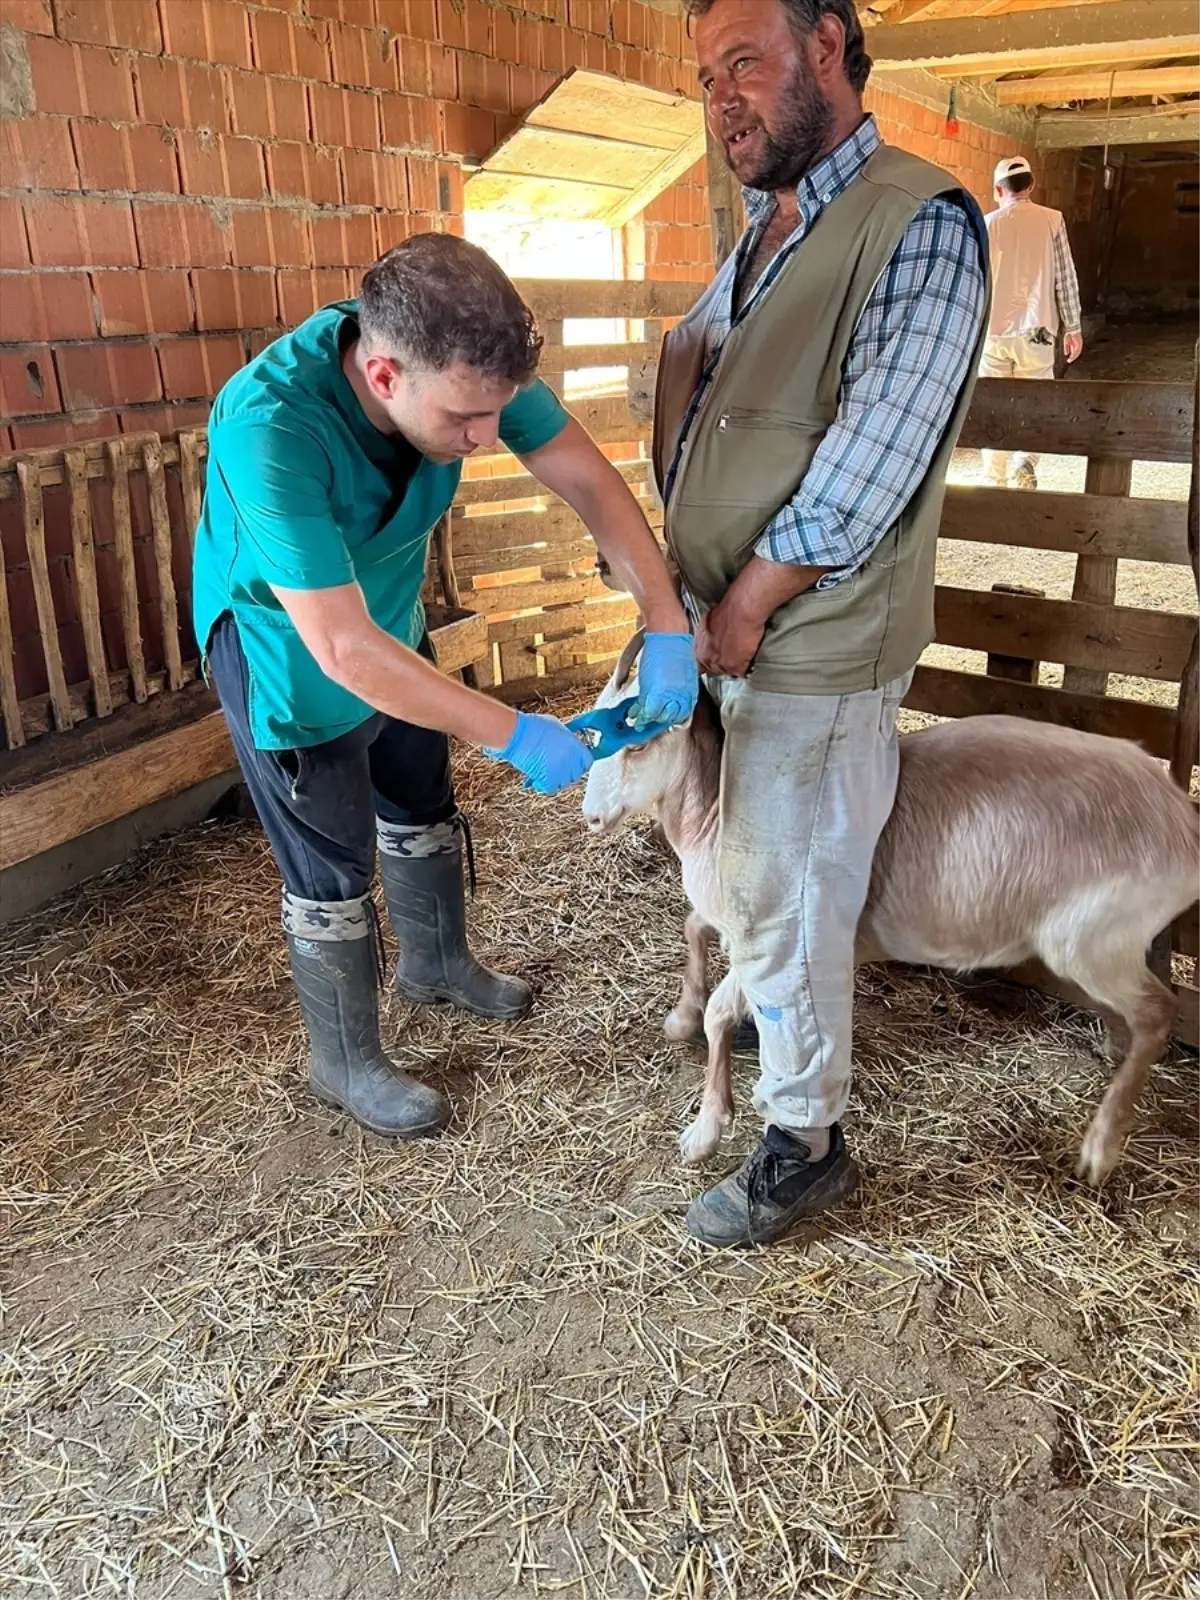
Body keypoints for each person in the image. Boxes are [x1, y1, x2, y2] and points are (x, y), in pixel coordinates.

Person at [193, 234, 696, 1140]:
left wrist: (666, 622)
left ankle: (435, 963)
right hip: (288, 641)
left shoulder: (469, 363)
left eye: (497, 413)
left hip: (385, 613)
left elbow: (586, 478)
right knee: (331, 848)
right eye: (467, 419)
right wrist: (510, 729)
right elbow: (341, 650)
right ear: (383, 376)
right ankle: (343, 1059)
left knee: (419, 792)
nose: (486, 438)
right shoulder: (268, 428)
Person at [658, 0, 990, 1247]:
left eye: (745, 61)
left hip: (811, 638)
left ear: (833, 46)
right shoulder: (763, 235)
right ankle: (793, 1081)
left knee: (787, 894)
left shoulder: (917, 222)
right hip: (733, 635)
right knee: (753, 883)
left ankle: (804, 1141)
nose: (721, 97)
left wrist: (742, 602)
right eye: (706, 77)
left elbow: (871, 455)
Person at [981, 155, 1084, 490]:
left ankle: (993, 477)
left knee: (993, 401)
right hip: (1038, 329)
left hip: (994, 331)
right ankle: (1024, 460)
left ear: (999, 189)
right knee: (1034, 398)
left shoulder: (987, 223)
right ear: (1033, 184)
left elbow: (976, 279)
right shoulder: (1052, 220)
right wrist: (1073, 326)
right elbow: (1065, 278)